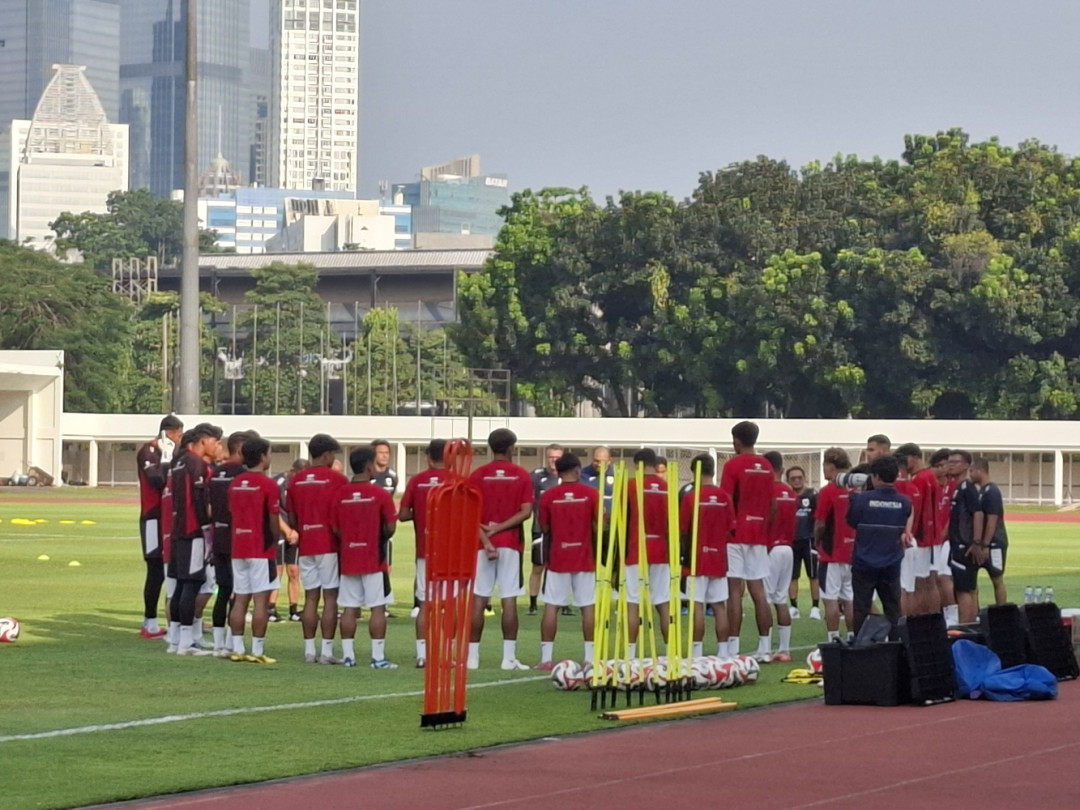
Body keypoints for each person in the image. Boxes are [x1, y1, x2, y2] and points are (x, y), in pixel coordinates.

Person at [468, 428, 534, 670]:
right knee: (509, 600)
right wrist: (499, 529)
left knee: (478, 600)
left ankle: (471, 658)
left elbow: (469, 513)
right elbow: (526, 511)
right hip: (509, 544)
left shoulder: (477, 475)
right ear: (510, 448)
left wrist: (487, 537)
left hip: (481, 544)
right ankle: (508, 658)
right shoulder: (521, 475)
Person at [331, 446, 399, 669]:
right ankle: (377, 658)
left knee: (349, 608)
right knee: (378, 607)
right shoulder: (380, 494)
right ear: (370, 465)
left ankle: (349, 657)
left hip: (349, 558)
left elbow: (336, 528)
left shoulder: (340, 494)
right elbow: (391, 527)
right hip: (374, 558)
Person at [286, 433, 349, 664]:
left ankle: (309, 651)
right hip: (329, 544)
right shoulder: (338, 480)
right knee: (330, 597)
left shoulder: (296, 480)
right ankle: (327, 651)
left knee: (310, 597)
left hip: (306, 543)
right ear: (327, 454)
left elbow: (292, 518)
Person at [535, 452, 599, 669]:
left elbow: (543, 527)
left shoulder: (549, 496)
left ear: (559, 472)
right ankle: (590, 658)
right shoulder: (591, 494)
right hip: (584, 558)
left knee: (551, 606)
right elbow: (600, 525)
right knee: (587, 606)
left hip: (558, 558)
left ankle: (546, 659)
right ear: (578, 470)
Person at [719, 421, 774, 662]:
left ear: (737, 441)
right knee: (759, 591)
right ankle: (765, 647)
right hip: (758, 534)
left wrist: (728, 528)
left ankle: (733, 648)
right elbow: (772, 505)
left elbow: (726, 500)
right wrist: (763, 528)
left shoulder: (732, 465)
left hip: (736, 534)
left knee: (734, 591)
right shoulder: (767, 466)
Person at [168, 423, 222, 657]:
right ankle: (186, 643)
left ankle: (176, 638)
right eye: (215, 441)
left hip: (179, 529)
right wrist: (206, 528)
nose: (217, 445)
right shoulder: (196, 463)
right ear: (203, 441)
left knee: (181, 585)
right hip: (193, 531)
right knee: (191, 584)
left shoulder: (179, 462)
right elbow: (200, 500)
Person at [227, 436, 282, 664]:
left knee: (240, 598)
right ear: (262, 456)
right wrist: (275, 539)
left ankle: (237, 648)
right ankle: (257, 650)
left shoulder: (235, 483)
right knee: (261, 601)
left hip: (238, 546)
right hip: (260, 548)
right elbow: (273, 518)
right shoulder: (268, 484)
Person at [846, 455, 911, 635]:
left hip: (864, 562)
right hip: (891, 562)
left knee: (861, 607)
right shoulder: (904, 502)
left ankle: (862, 648)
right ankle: (897, 645)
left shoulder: (862, 499)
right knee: (893, 608)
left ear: (875, 477)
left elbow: (852, 522)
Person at [679, 454, 734, 659]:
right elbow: (731, 528)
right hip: (718, 558)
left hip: (696, 558)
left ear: (696, 472)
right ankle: (723, 652)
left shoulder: (692, 497)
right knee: (719, 606)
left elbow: (683, 530)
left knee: (696, 605)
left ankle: (696, 653)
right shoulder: (724, 497)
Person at [398, 439, 447, 668]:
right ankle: (447, 653)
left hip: (425, 550)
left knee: (426, 604)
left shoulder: (417, 481)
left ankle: (422, 654)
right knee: (451, 604)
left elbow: (403, 514)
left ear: (428, 456)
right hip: (451, 551)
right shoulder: (456, 481)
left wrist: (421, 512)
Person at [135, 415, 183, 638]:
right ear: (169, 433)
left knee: (169, 569)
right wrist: (166, 459)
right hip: (153, 517)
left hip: (167, 518)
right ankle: (149, 622)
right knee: (155, 570)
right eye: (179, 435)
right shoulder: (149, 451)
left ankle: (171, 619)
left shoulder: (171, 453)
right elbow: (156, 480)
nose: (180, 439)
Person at [208, 431, 252, 657]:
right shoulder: (243, 475)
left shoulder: (215, 474)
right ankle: (232, 642)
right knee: (239, 591)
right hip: (237, 537)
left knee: (223, 590)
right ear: (242, 449)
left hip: (218, 536)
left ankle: (218, 643)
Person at [624, 448, 670, 659]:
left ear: (637, 464)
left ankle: (631, 655)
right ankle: (671, 652)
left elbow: (622, 518)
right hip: (661, 550)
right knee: (663, 601)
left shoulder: (632, 485)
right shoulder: (666, 487)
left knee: (632, 601)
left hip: (636, 549)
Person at [814, 447, 856, 643]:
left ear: (830, 466)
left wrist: (816, 541)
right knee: (850, 598)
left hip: (831, 553)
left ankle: (832, 639)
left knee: (830, 598)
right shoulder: (857, 489)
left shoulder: (828, 491)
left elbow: (821, 523)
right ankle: (852, 637)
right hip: (853, 552)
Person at [763, 451, 797, 663]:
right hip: (788, 547)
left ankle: (765, 648)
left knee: (764, 599)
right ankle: (785, 648)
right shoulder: (790, 492)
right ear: (782, 470)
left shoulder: (767, 490)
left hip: (771, 548)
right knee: (781, 598)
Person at [947, 449, 986, 623]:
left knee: (963, 591)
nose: (951, 465)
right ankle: (969, 626)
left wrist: (976, 542)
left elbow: (978, 513)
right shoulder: (959, 487)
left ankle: (964, 628)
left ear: (966, 466)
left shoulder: (966, 488)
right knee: (967, 589)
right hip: (960, 544)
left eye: (956, 462)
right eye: (950, 462)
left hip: (963, 545)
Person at [897, 443, 935, 614]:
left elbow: (913, 512)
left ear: (912, 457)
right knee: (925, 582)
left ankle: (913, 622)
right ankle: (930, 619)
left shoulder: (918, 480)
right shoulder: (929, 476)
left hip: (915, 536)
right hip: (926, 535)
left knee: (910, 586)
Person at [270, 459, 308, 622]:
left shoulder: (304, 485)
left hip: (295, 532)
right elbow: (273, 511)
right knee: (277, 571)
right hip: (279, 531)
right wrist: (286, 530)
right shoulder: (277, 483)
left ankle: (294, 609)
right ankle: (270, 608)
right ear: (292, 471)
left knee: (294, 571)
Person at [529, 444, 564, 617]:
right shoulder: (536, 476)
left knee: (560, 568)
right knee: (538, 566)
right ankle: (533, 603)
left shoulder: (568, 477)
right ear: (546, 457)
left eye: (557, 457)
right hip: (540, 529)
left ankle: (561, 602)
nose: (554, 461)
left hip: (563, 531)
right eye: (551, 457)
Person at [970, 458, 1009, 607]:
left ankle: (1002, 611)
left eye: (972, 471)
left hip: (994, 543)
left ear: (980, 471)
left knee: (997, 579)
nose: (970, 474)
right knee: (972, 581)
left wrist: (985, 544)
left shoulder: (992, 491)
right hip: (983, 543)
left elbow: (992, 520)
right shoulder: (981, 491)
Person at [893, 446, 924, 617]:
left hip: (897, 539)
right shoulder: (913, 488)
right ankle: (909, 624)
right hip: (912, 538)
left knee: (900, 587)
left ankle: (900, 626)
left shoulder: (891, 487)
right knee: (910, 587)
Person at [786, 466, 820, 620]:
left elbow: (820, 517)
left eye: (799, 477)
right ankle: (793, 607)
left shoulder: (813, 495)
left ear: (804, 477)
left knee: (813, 575)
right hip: (791, 541)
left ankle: (815, 608)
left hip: (809, 541)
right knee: (793, 575)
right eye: (793, 478)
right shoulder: (786, 495)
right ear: (788, 480)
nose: (797, 480)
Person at [930, 448, 959, 624]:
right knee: (931, 579)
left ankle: (952, 614)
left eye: (945, 465)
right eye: (938, 465)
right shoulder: (931, 485)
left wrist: (944, 533)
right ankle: (940, 612)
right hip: (931, 539)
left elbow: (952, 514)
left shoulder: (953, 486)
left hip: (947, 539)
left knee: (943, 576)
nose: (942, 469)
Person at [581, 446, 616, 516]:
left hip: (612, 521)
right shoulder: (582, 474)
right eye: (596, 461)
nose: (599, 464)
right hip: (589, 518)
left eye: (603, 462)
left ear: (609, 461)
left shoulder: (617, 475)